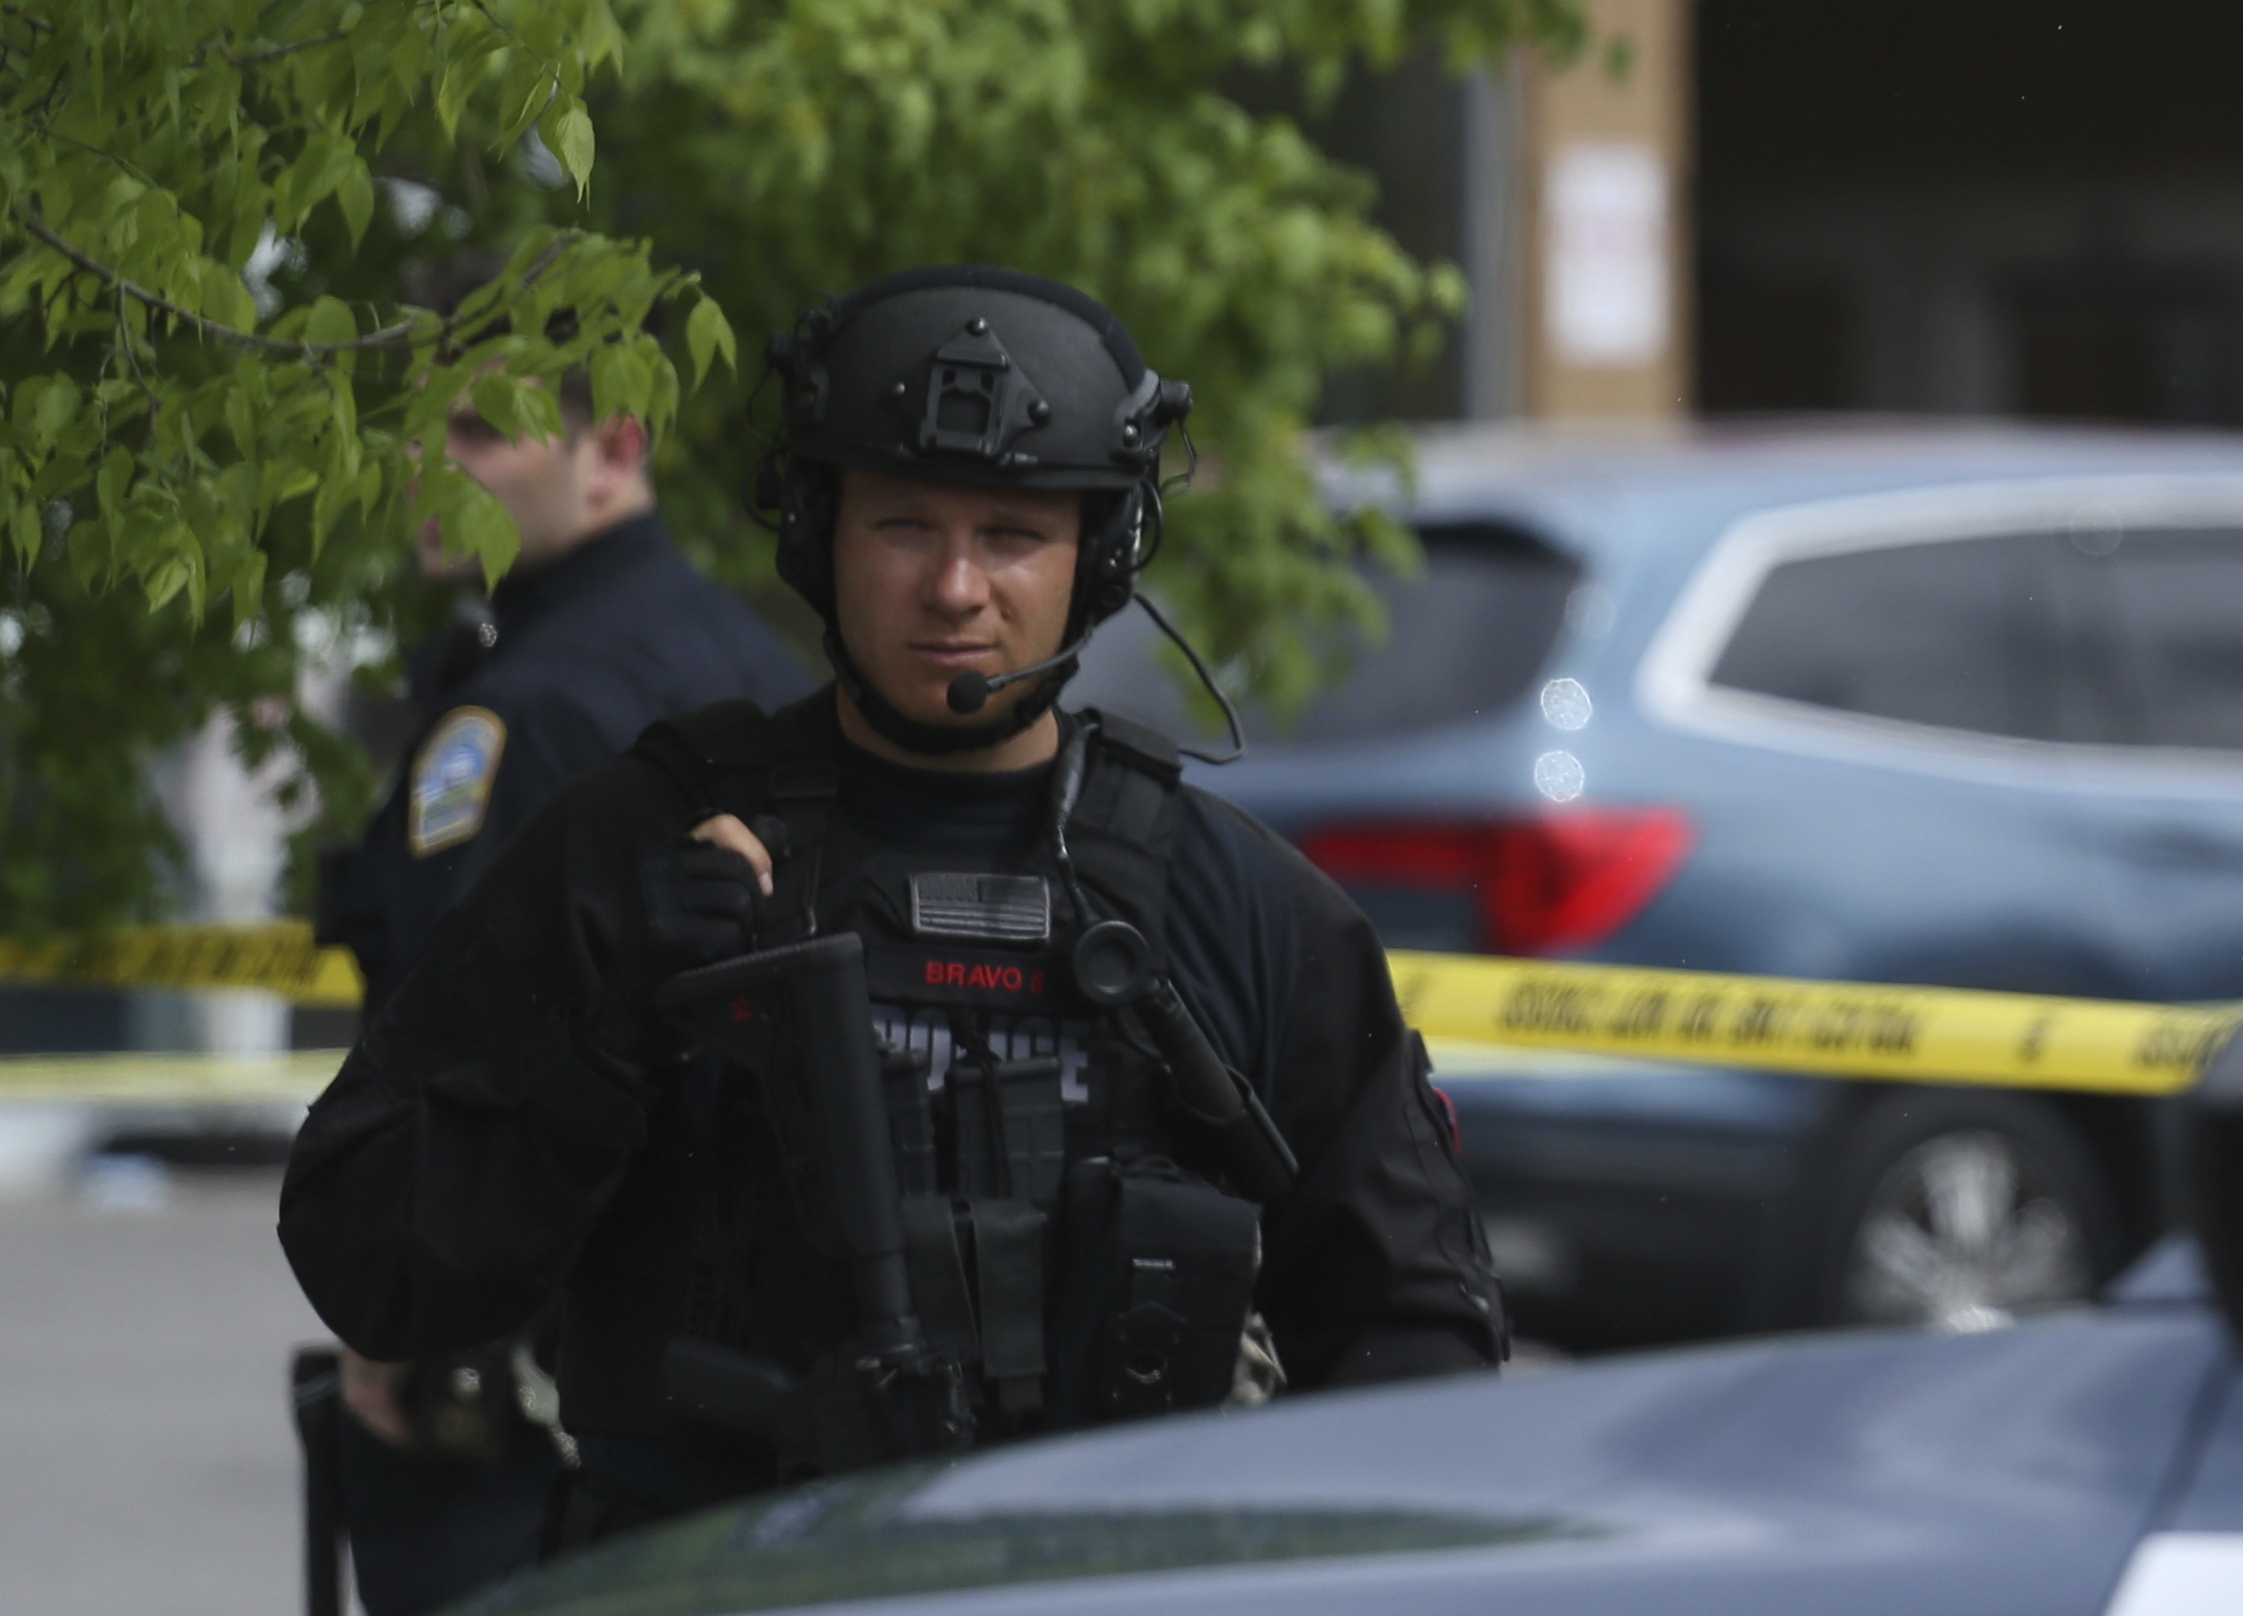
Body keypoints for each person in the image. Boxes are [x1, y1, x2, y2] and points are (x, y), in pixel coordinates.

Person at [282, 266, 1503, 1548]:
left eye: (1013, 533)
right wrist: (595, 1034)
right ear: (820, 533)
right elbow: (372, 1262)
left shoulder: (1229, 902)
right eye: (905, 525)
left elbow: (1416, 1331)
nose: (957, 588)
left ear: (1097, 556)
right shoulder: (636, 847)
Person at [303, 330, 804, 1615]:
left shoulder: (527, 706)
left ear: (616, 449)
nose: (425, 468)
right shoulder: (750, 666)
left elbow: (471, 1060)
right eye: (410, 431)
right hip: (734, 1357)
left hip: (531, 1384)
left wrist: (405, 1342)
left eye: (474, 433)